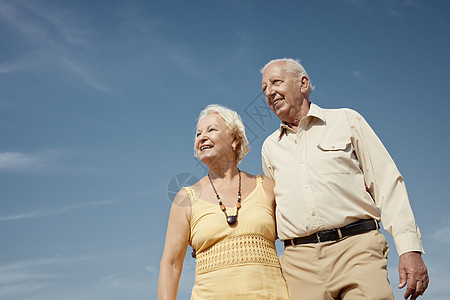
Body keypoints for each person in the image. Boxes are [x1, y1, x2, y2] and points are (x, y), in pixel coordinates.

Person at [260, 58, 429, 300]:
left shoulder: (347, 120)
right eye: (264, 88)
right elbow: (268, 210)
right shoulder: (269, 148)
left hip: (357, 248)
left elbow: (387, 183)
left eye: (276, 82)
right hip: (299, 263)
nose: (270, 92)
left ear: (303, 83)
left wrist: (409, 248)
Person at [158, 104, 289, 300]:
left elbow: (296, 240)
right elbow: (171, 264)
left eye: (211, 130)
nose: (202, 137)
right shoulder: (185, 199)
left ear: (235, 139)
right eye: (198, 134)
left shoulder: (268, 187)